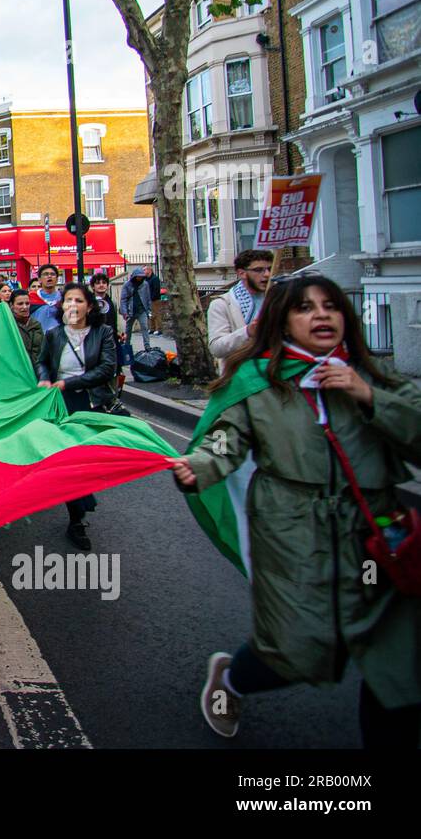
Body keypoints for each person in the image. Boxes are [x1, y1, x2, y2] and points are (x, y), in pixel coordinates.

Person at [168, 275, 420, 749]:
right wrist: (197, 467)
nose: (321, 316)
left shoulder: (372, 377)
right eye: (305, 308)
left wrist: (368, 398)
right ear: (283, 323)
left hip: (375, 539)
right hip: (291, 535)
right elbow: (224, 440)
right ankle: (234, 679)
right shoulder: (257, 383)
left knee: (396, 669)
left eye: (331, 306)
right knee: (295, 650)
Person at [36, 283, 117, 552]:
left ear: (89, 306)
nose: (72, 305)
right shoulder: (54, 334)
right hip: (62, 404)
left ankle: (83, 498)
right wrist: (45, 379)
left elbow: (107, 368)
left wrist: (69, 383)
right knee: (70, 460)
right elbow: (43, 362)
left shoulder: (103, 333)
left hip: (92, 401)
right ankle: (77, 518)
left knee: (89, 460)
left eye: (78, 301)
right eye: (68, 300)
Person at [208, 249, 274, 362]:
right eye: (259, 270)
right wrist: (247, 332)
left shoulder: (276, 298)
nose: (267, 274)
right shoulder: (222, 304)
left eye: (269, 269)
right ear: (241, 273)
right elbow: (216, 348)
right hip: (240, 373)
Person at [120, 267, 154, 353]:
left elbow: (148, 298)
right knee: (128, 329)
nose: (140, 278)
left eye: (141, 276)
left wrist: (149, 310)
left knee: (145, 327)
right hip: (130, 311)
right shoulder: (127, 285)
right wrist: (125, 313)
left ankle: (147, 346)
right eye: (138, 276)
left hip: (142, 310)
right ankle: (127, 346)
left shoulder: (145, 284)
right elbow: (123, 299)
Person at [9, 289, 44, 367]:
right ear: (11, 305)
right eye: (20, 304)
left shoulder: (36, 325)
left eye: (27, 303)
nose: (25, 307)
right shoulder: (8, 325)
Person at [30, 264, 63, 333]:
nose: (49, 276)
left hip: (60, 339)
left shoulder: (64, 298)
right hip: (38, 339)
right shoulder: (31, 298)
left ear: (57, 279)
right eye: (45, 274)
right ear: (39, 279)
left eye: (52, 274)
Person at [145, 266, 164, 334]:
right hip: (149, 299)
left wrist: (152, 298)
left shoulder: (155, 279)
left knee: (156, 314)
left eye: (145, 270)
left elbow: (156, 289)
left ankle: (159, 329)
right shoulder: (146, 279)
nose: (143, 271)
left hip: (155, 299)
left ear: (149, 270)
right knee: (151, 315)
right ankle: (152, 328)